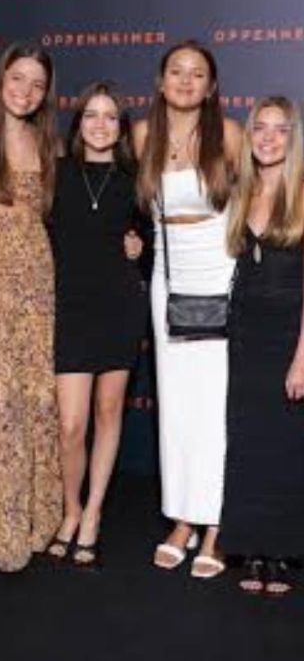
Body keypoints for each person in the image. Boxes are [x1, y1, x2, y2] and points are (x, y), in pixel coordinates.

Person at [133, 40, 242, 579]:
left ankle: (216, 524)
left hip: (219, 274)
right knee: (175, 406)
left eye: (197, 74)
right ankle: (181, 519)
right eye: (176, 71)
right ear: (160, 80)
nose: (185, 80)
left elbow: (266, 197)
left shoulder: (232, 135)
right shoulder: (141, 135)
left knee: (214, 406)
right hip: (168, 280)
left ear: (211, 86)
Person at [0, 41, 61, 573]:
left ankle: (31, 521)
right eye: (17, 79)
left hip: (34, 285)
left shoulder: (49, 144)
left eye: (37, 84)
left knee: (30, 396)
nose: (26, 91)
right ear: (0, 79)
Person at [47, 81, 147, 568]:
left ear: (121, 127)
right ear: (78, 122)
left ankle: (93, 515)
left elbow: (150, 242)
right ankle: (70, 508)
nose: (101, 124)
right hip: (69, 307)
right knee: (70, 424)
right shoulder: (55, 173)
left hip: (118, 307)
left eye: (111, 116)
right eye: (92, 115)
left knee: (109, 415)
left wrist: (140, 250)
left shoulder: (135, 178)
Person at [220, 96, 304, 596]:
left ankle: (282, 550)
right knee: (248, 444)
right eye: (260, 129)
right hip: (245, 334)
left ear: (293, 140)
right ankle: (251, 549)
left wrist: (302, 356)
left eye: (280, 130)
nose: (268, 138)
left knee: (287, 446)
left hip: (288, 334)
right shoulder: (240, 194)